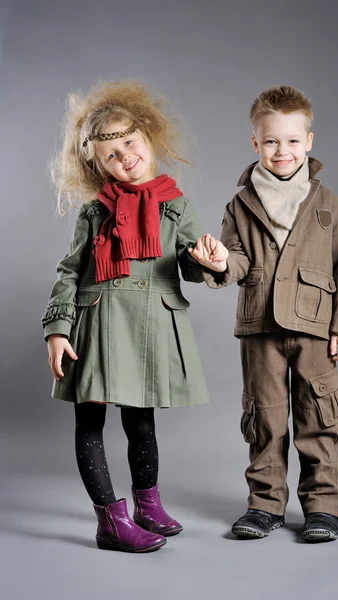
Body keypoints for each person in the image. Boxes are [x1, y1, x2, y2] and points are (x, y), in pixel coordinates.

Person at [42, 80, 226, 553]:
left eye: (129, 142)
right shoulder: (94, 211)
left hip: (148, 326)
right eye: (110, 155)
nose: (124, 156)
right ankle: (110, 520)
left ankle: (148, 504)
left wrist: (208, 260)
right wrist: (57, 330)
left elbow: (185, 264)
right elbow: (70, 270)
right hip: (98, 325)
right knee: (91, 423)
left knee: (141, 421)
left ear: (148, 136)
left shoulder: (177, 203)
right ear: (97, 166)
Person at [190, 85, 338, 543]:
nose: (281, 150)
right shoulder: (240, 203)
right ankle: (265, 505)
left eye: (290, 140)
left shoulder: (327, 203)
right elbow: (237, 259)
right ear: (255, 145)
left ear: (308, 141)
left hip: (315, 327)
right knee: (264, 417)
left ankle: (323, 507)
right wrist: (219, 262)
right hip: (260, 329)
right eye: (270, 141)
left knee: (319, 415)